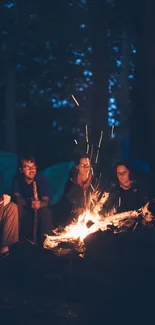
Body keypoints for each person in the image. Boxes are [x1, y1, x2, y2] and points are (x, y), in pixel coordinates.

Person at [12, 155, 53, 244]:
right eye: (27, 167)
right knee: (15, 209)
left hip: (39, 210)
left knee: (46, 212)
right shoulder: (17, 179)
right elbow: (17, 197)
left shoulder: (42, 179)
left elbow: (46, 201)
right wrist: (28, 203)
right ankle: (16, 244)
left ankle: (48, 243)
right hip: (25, 209)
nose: (32, 170)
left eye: (33, 167)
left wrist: (39, 204)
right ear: (21, 169)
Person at [56, 155, 101, 226]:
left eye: (87, 165)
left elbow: (100, 201)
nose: (85, 168)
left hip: (92, 217)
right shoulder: (71, 183)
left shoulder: (96, 182)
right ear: (77, 167)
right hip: (74, 218)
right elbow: (66, 202)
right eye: (82, 165)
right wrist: (77, 208)